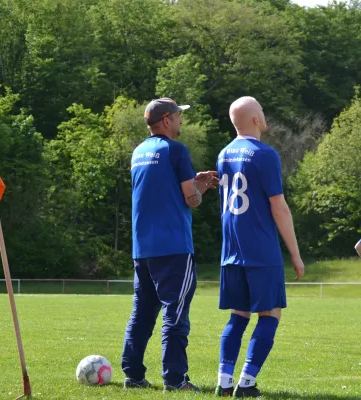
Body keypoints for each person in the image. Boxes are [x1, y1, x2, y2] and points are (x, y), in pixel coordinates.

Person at [121, 98, 218, 391]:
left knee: (142, 312)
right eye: (178, 116)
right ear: (166, 120)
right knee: (175, 314)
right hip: (173, 247)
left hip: (143, 248)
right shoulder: (176, 150)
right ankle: (175, 380)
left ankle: (133, 375)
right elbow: (191, 200)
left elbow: (161, 189)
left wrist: (191, 180)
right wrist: (201, 187)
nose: (181, 121)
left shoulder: (138, 152)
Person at [214, 96, 305, 398]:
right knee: (270, 314)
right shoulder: (265, 154)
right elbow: (278, 207)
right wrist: (295, 253)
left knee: (238, 315)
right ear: (255, 119)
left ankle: (224, 383)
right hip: (260, 249)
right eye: (262, 111)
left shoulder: (223, 154)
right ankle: (247, 384)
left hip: (231, 250)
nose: (265, 115)